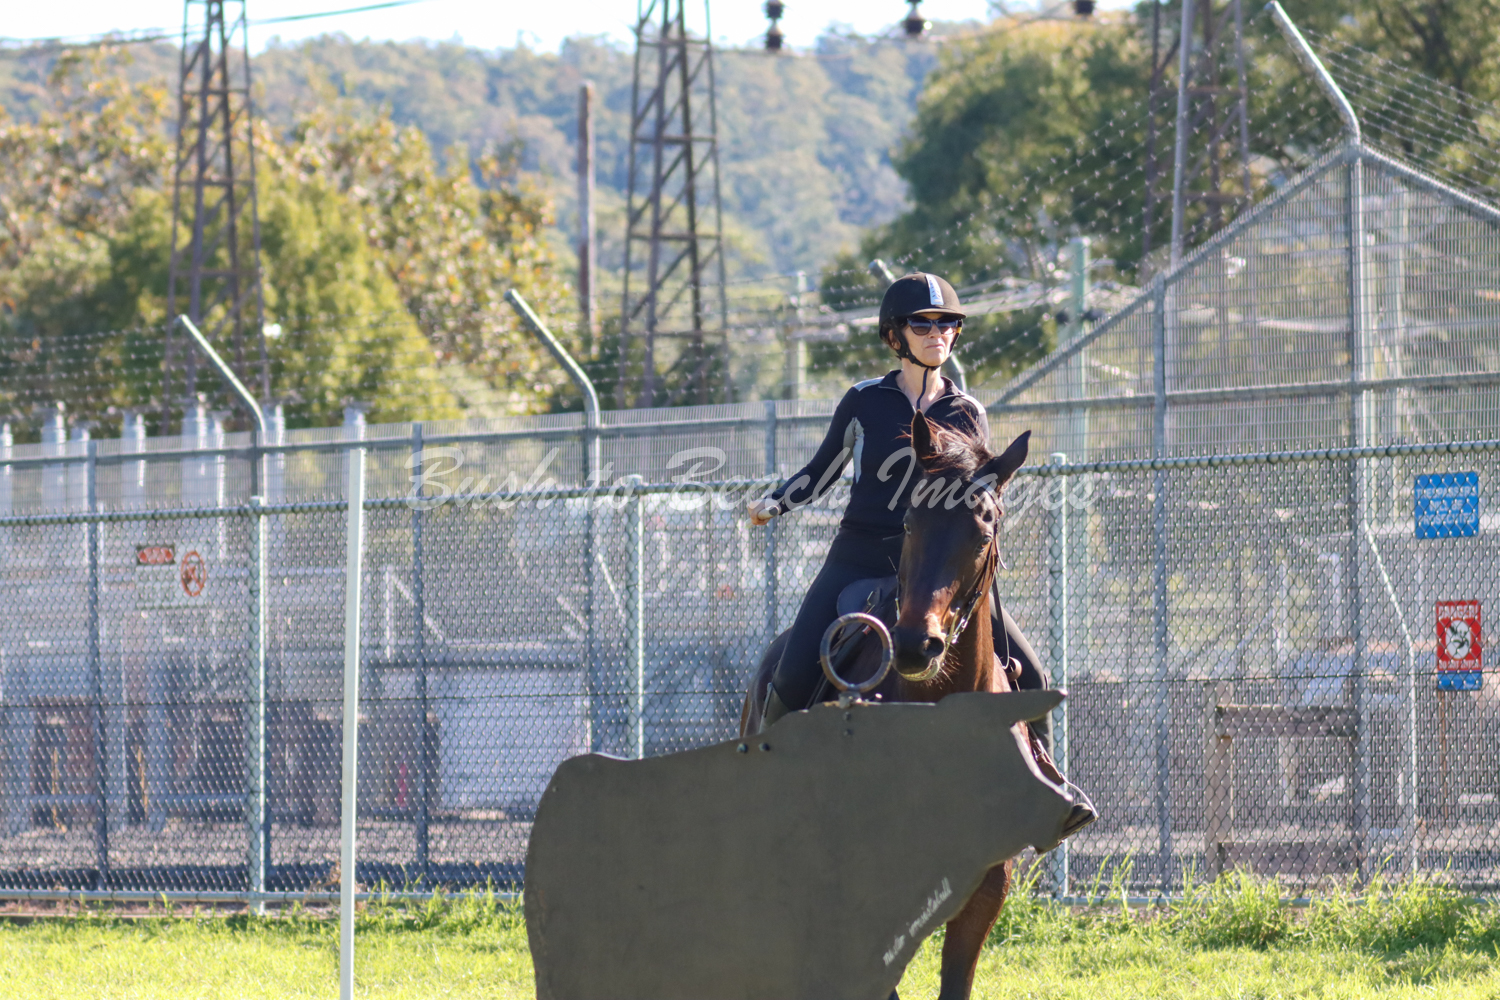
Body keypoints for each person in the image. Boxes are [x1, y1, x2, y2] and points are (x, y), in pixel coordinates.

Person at [747, 271, 1095, 832]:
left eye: (947, 324)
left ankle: (1048, 792)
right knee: (789, 674)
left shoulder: (967, 410)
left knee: (1031, 674)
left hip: (940, 568)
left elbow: (981, 491)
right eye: (923, 324)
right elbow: (822, 470)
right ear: (895, 336)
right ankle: (764, 786)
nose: (938, 334)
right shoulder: (864, 400)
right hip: (860, 558)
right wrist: (775, 503)